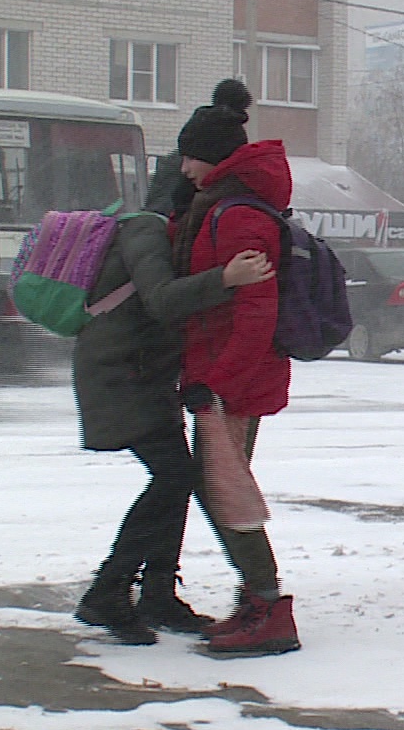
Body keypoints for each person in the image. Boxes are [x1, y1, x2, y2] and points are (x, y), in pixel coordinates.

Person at [71, 155, 277, 645]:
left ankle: (158, 593)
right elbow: (162, 299)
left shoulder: (161, 230)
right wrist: (225, 280)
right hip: (120, 374)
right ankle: (108, 590)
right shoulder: (144, 230)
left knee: (177, 478)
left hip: (145, 374)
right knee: (174, 476)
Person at [171, 79, 301, 655]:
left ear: (214, 156)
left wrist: (215, 384)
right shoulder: (222, 207)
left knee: (226, 491)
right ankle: (258, 601)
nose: (184, 168)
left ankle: (269, 609)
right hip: (224, 377)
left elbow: (255, 317)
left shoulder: (239, 216)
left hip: (233, 383)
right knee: (221, 488)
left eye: (190, 156)